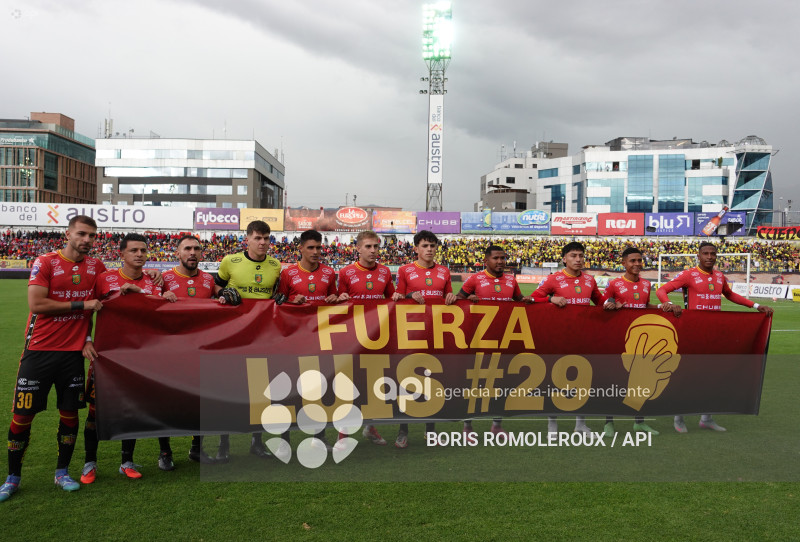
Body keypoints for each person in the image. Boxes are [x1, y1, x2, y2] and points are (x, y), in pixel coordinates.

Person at [0, 216, 105, 502]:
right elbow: (37, 304)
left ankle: (62, 472)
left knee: (70, 414)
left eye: (92, 236)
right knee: (22, 416)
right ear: (68, 234)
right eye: (82, 234)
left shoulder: (96, 266)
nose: (87, 240)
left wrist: (86, 338)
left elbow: (111, 296)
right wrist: (81, 304)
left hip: (72, 355)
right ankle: (12, 478)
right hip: (39, 352)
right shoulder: (45, 262)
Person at [656, 241, 774, 433]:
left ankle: (706, 418)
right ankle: (678, 418)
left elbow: (730, 294)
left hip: (715, 334)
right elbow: (661, 290)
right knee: (687, 376)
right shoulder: (689, 275)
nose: (709, 257)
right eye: (706, 254)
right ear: (699, 256)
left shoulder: (719, 276)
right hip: (693, 333)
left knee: (713, 377)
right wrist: (668, 303)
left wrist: (755, 306)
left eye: (712, 253)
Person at [81, 233, 168, 482]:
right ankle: (89, 463)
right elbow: (87, 312)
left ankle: (126, 461)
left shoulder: (154, 282)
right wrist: (86, 340)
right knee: (95, 412)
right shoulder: (103, 279)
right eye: (133, 251)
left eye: (143, 250)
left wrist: (164, 297)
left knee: (131, 410)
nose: (139, 255)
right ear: (121, 254)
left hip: (139, 358)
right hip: (106, 355)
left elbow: (159, 315)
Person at [159, 235, 241, 466]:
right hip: (171, 352)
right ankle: (165, 452)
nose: (192, 252)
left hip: (201, 351)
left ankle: (196, 448)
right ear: (177, 253)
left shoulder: (207, 279)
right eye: (187, 248)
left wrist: (224, 295)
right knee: (167, 402)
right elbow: (147, 305)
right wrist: (160, 296)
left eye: (196, 248)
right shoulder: (163, 279)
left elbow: (220, 293)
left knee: (201, 403)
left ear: (202, 253)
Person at [215, 220, 282, 462]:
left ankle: (257, 442)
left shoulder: (275, 266)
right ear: (247, 239)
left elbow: (275, 296)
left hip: (262, 338)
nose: (263, 242)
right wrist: (223, 294)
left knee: (261, 393)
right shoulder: (229, 262)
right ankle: (224, 444)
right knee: (228, 390)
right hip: (232, 337)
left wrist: (280, 299)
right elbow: (215, 289)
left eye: (266, 238)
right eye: (258, 238)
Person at [456, 245, 538, 442]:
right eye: (496, 258)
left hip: (504, 339)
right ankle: (467, 427)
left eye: (503, 258)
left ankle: (496, 425)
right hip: (479, 340)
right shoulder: (475, 279)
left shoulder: (511, 279)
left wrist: (526, 300)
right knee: (475, 383)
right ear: (486, 261)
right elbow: (458, 299)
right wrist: (469, 300)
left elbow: (518, 300)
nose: (501, 261)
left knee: (501, 383)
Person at [391, 230, 457, 448]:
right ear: (416, 248)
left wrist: (452, 297)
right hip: (411, 335)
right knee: (406, 382)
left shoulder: (444, 271)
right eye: (425, 245)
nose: (430, 249)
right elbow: (398, 297)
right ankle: (403, 430)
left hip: (436, 334)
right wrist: (409, 296)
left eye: (433, 245)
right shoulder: (405, 270)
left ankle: (431, 431)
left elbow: (450, 298)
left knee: (433, 383)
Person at [601, 247, 675, 437]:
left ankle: (639, 422)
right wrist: (611, 306)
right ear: (624, 263)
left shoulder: (645, 284)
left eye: (639, 260)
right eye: (632, 261)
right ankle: (609, 422)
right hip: (618, 338)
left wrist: (661, 306)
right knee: (615, 380)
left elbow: (644, 306)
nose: (637, 264)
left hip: (641, 341)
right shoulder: (614, 283)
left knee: (641, 381)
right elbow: (603, 305)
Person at [532, 241, 603, 434]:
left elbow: (600, 302)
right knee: (556, 380)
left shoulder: (590, 280)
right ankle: (552, 423)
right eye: (573, 255)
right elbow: (531, 299)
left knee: (582, 381)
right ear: (564, 258)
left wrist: (612, 303)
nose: (578, 259)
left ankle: (580, 424)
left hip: (583, 338)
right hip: (559, 338)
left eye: (581, 255)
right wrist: (550, 299)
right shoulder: (554, 279)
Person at [276, 229, 338, 449]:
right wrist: (293, 300)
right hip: (293, 339)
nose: (315, 252)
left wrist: (336, 297)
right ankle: (283, 441)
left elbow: (336, 301)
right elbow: (278, 303)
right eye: (311, 247)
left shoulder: (329, 273)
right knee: (288, 390)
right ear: (300, 248)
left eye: (319, 248)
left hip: (319, 339)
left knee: (317, 390)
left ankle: (319, 437)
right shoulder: (287, 274)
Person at [336, 230, 396, 446]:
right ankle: (343, 434)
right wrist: (340, 298)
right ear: (358, 248)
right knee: (349, 386)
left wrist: (398, 296)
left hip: (378, 337)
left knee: (377, 385)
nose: (373, 251)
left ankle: (370, 428)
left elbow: (392, 301)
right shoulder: (345, 273)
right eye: (368, 247)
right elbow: (338, 304)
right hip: (352, 339)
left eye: (376, 247)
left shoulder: (386, 272)